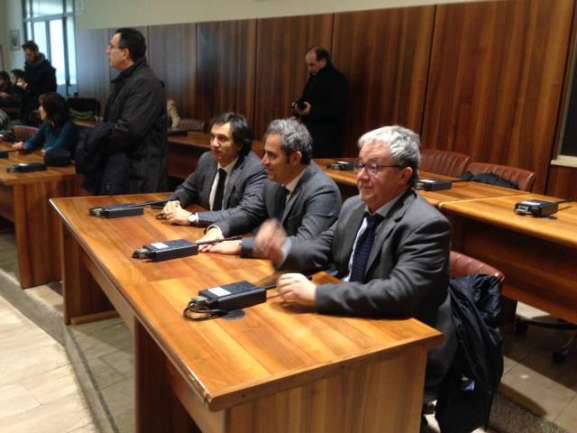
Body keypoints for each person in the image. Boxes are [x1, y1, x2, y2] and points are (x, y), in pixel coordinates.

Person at [254, 126, 455, 402]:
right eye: (361, 165)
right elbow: (322, 248)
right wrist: (282, 250)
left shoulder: (426, 225)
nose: (361, 176)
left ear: (404, 175)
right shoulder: (354, 207)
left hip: (401, 341)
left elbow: (400, 293)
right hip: (353, 318)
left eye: (374, 167)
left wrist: (317, 295)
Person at [200, 117, 342, 258]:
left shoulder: (323, 192)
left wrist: (241, 245)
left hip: (301, 268)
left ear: (295, 158)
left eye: (272, 156)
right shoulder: (273, 181)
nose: (264, 162)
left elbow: (305, 243)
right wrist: (218, 230)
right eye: (264, 153)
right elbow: (250, 213)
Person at [162, 112, 267, 227]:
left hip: (235, 233)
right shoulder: (207, 159)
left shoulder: (254, 169)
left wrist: (193, 218)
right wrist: (174, 202)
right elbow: (188, 189)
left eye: (222, 138)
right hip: (205, 229)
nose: (214, 144)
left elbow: (246, 212)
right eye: (212, 137)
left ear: (239, 144)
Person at [101, 27, 167, 193]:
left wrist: (97, 140)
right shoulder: (127, 79)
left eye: (111, 47)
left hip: (140, 174)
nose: (107, 51)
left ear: (125, 53)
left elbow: (128, 130)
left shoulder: (145, 83)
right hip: (124, 167)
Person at [292, 47, 348, 158]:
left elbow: (337, 110)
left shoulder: (338, 80)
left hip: (327, 136)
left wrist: (311, 111)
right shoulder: (314, 77)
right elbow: (307, 98)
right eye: (308, 65)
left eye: (312, 65)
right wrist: (298, 107)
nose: (309, 69)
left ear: (323, 61)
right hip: (310, 132)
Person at [12, 92, 78, 153]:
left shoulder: (68, 127)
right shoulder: (47, 124)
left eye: (42, 106)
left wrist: (45, 150)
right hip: (48, 158)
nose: (39, 109)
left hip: (61, 161)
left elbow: (56, 150)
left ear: (51, 109)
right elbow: (33, 141)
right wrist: (24, 146)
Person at [18, 41, 57, 125]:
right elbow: (25, 85)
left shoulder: (47, 69)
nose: (27, 58)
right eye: (25, 55)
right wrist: (19, 84)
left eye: (29, 55)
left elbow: (50, 90)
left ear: (36, 52)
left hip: (42, 104)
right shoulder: (28, 66)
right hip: (27, 104)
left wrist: (27, 86)